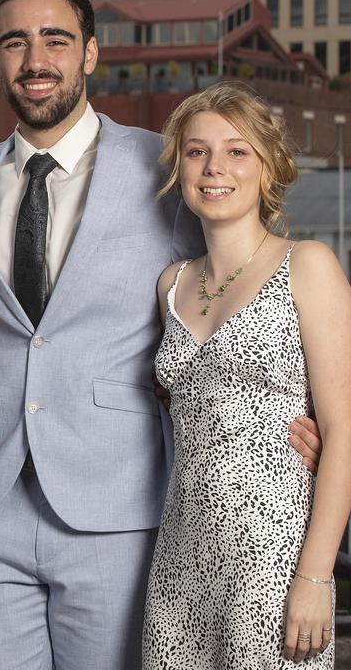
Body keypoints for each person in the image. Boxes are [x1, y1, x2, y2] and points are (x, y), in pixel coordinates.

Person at [0, 0, 323, 669]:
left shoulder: (166, 167)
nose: (36, 59)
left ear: (89, 52)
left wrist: (282, 415)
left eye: (56, 39)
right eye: (15, 42)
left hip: (118, 501)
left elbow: (244, 287)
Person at [142, 82, 349, 668]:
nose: (215, 168)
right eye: (196, 150)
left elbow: (345, 435)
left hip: (274, 561)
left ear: (269, 166)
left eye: (237, 151)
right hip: (180, 561)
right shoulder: (171, 284)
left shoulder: (308, 265)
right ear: (178, 166)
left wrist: (315, 577)